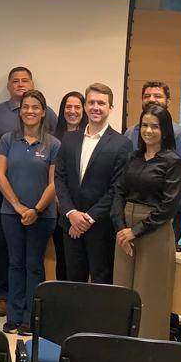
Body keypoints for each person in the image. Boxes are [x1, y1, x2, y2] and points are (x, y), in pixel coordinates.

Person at [0, 66, 58, 316]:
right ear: (20, 111)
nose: (30, 111)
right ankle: (14, 314)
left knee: (34, 265)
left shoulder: (53, 144)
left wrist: (35, 210)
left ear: (43, 112)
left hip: (43, 215)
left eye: (35, 107)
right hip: (11, 213)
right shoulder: (8, 139)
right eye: (26, 107)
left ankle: (31, 317)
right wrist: (18, 206)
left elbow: (54, 183)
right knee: (15, 264)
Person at [112, 104, 181, 339]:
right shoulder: (133, 157)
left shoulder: (172, 161)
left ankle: (147, 346)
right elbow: (118, 192)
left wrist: (136, 231)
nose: (148, 130)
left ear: (164, 130)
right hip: (124, 232)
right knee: (122, 291)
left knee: (149, 296)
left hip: (153, 232)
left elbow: (169, 205)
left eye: (155, 126)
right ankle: (121, 344)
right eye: (144, 125)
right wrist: (121, 228)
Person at [54, 82, 132, 283]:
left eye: (101, 103)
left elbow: (116, 188)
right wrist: (71, 213)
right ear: (85, 106)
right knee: (73, 282)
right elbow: (60, 178)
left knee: (101, 282)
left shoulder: (122, 144)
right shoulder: (69, 139)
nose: (95, 107)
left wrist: (87, 219)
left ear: (110, 108)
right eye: (91, 102)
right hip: (70, 224)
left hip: (101, 227)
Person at [124, 81, 181, 243]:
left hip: (162, 215)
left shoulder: (180, 135)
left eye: (158, 96)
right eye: (147, 96)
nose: (152, 99)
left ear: (168, 101)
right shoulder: (130, 132)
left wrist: (164, 213)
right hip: (131, 211)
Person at [52, 91, 86, 278]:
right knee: (62, 258)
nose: (72, 111)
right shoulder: (53, 138)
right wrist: (64, 207)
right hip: (59, 210)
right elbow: (55, 176)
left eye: (77, 107)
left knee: (81, 263)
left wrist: (76, 213)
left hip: (85, 213)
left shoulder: (90, 138)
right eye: (68, 107)